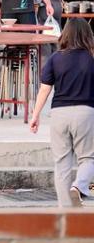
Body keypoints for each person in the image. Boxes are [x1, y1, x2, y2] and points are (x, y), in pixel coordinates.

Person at [29, 18, 94, 207]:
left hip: (58, 114)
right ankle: (79, 187)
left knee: (62, 164)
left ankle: (66, 212)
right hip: (86, 112)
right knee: (88, 157)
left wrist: (35, 115)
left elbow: (44, 89)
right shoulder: (91, 58)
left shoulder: (55, 58)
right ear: (88, 35)